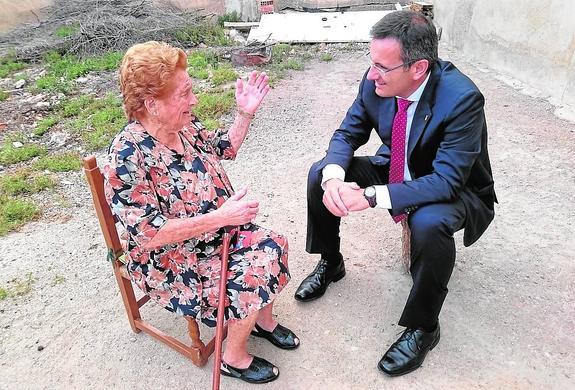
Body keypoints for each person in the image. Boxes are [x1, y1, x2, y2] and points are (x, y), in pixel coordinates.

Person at [294, 11, 496, 376]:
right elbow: (347, 133)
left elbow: (448, 180)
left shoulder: (462, 98)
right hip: (396, 163)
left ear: (418, 68)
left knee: (429, 222)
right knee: (319, 172)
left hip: (455, 186)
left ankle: (423, 327)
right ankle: (330, 261)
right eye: (371, 63)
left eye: (382, 68)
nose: (372, 75)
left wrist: (371, 196)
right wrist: (334, 180)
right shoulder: (378, 79)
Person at [103, 41, 299, 384]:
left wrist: (245, 113)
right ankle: (232, 358)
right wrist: (222, 217)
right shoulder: (127, 156)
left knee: (275, 243)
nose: (193, 101)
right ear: (151, 104)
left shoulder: (184, 126)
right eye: (185, 93)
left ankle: (263, 323)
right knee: (252, 273)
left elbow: (227, 147)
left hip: (217, 232)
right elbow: (150, 235)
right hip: (174, 259)